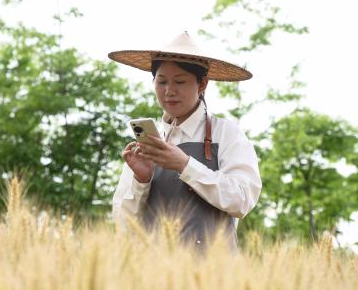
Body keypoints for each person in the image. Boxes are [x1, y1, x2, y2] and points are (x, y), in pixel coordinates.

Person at [109, 32, 262, 251]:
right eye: (161, 82)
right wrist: (141, 180)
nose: (169, 91)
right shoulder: (149, 142)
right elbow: (123, 223)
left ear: (203, 85)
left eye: (180, 81)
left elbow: (242, 200)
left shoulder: (226, 133)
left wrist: (185, 165)